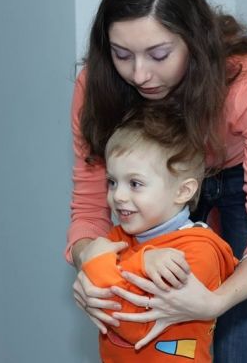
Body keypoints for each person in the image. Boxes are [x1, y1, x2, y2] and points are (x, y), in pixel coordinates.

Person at [67, 0, 247, 361]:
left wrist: (216, 301)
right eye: (122, 54)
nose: (140, 74)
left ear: (193, 39)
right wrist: (88, 261)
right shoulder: (98, 88)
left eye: (159, 54)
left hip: (238, 176)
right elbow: (89, 210)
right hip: (155, 184)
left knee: (240, 346)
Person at [81, 110, 238, 362]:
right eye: (112, 182)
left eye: (135, 184)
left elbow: (132, 323)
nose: (118, 195)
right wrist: (137, 261)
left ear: (182, 191)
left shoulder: (198, 251)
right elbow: (99, 297)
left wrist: (101, 262)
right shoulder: (121, 236)